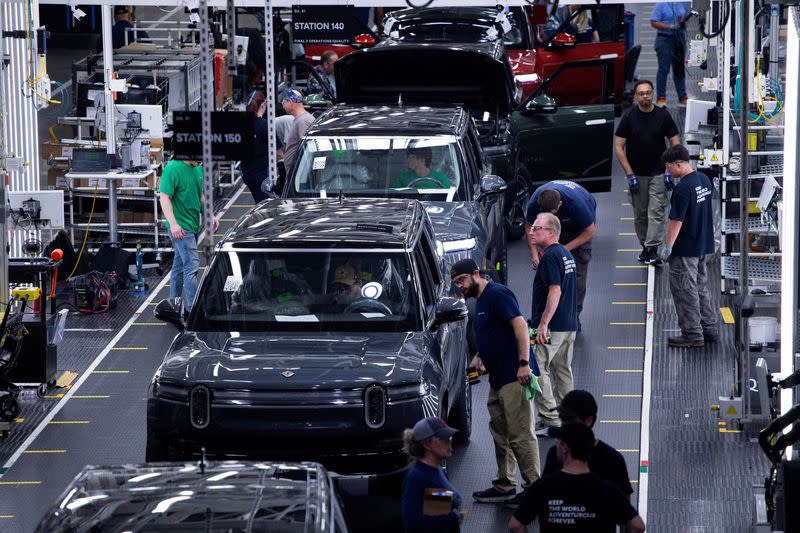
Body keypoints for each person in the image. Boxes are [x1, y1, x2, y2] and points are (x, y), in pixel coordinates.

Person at [450, 258, 540, 504]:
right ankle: (505, 484)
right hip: (498, 379)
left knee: (521, 435)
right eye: (456, 283)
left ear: (476, 273)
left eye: (462, 280)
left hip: (514, 376)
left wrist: (524, 365)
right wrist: (479, 357)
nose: (460, 286)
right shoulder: (480, 302)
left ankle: (534, 488)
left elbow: (520, 326)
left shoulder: (498, 294)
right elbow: (494, 334)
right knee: (500, 433)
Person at [509, 423, 647, 533]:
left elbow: (515, 525)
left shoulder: (542, 487)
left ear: (564, 447)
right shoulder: (608, 490)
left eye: (558, 442)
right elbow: (637, 526)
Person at [614, 79, 681, 265]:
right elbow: (619, 147)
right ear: (636, 96)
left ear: (653, 94)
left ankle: (652, 248)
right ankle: (645, 248)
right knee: (640, 214)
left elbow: (675, 142)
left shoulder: (663, 116)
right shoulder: (629, 118)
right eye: (641, 93)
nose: (645, 96)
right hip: (637, 174)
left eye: (648, 93)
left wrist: (670, 169)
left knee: (656, 211)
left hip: (658, 173)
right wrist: (629, 174)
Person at [660, 144, 719, 348]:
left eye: (668, 167)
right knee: (700, 287)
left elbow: (676, 221)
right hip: (703, 245)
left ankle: (692, 333)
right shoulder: (703, 179)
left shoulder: (683, 188)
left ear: (678, 164)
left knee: (685, 289)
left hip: (685, 249)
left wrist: (667, 247)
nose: (668, 171)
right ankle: (709, 328)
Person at [528, 213, 577, 436]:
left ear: (551, 232)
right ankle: (570, 416)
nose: (531, 231)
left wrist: (543, 323)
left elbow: (555, 290)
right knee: (562, 370)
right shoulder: (566, 253)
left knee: (537, 369)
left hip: (553, 326)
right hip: (568, 325)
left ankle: (550, 418)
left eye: (537, 228)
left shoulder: (549, 257)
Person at [541, 390, 634, 499]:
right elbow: (542, 495)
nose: (564, 425)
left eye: (569, 419)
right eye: (562, 419)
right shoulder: (556, 453)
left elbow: (624, 510)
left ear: (588, 421)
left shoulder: (612, 460)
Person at [525, 181, 595, 324]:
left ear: (560, 205)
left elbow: (590, 231)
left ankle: (574, 315)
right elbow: (528, 226)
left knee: (576, 272)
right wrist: (534, 255)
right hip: (551, 230)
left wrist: (563, 250)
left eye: (553, 213)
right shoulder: (534, 202)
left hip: (577, 230)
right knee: (546, 272)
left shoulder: (577, 204)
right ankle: (545, 315)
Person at [159, 160, 219, 312]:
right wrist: (173, 224)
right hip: (181, 227)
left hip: (192, 226)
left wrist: (210, 214)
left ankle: (173, 307)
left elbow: (200, 194)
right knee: (192, 265)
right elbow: (164, 197)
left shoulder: (197, 168)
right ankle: (194, 310)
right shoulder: (172, 168)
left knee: (179, 267)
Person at [401, 417, 462, 533]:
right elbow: (413, 524)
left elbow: (437, 513)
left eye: (449, 437)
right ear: (427, 444)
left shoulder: (438, 470)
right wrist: (452, 516)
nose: (450, 441)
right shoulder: (417, 477)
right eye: (444, 438)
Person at [650, 2, 690, 107]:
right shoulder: (661, 4)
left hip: (679, 38)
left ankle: (682, 97)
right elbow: (653, 22)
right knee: (664, 69)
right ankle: (661, 98)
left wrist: (684, 24)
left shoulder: (683, 3)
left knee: (679, 68)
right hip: (664, 39)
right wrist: (671, 26)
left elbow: (685, 18)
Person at [240, 91, 273, 203]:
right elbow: (278, 152)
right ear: (262, 105)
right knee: (266, 204)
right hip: (262, 175)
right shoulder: (265, 125)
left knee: (260, 201)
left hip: (247, 174)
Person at [282, 89, 316, 177]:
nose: (283, 106)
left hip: (299, 174)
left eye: (284, 103)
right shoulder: (300, 120)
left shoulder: (303, 121)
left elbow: (307, 150)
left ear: (290, 102)